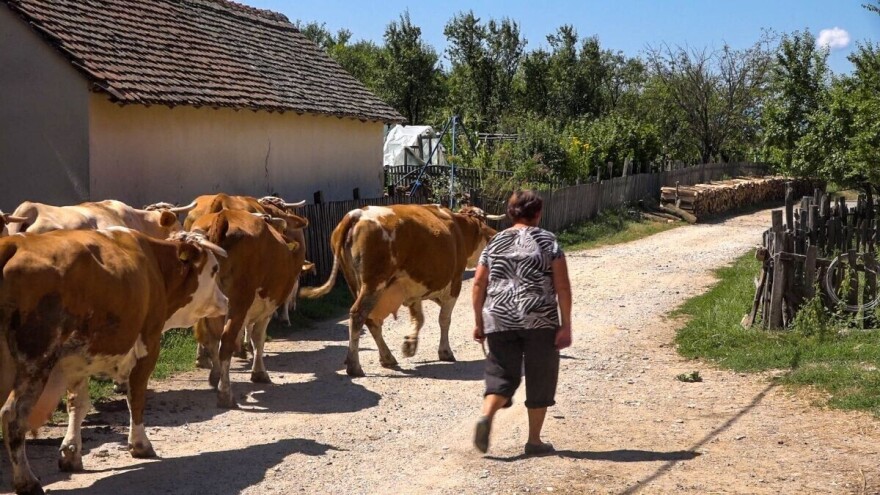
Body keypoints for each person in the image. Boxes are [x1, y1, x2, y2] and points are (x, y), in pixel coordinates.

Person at [471, 189, 573, 456]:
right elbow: (562, 287)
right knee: (540, 376)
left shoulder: (495, 243)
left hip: (499, 316)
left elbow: (479, 283)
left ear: (509, 213)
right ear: (538, 213)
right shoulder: (548, 241)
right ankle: (534, 441)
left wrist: (479, 322)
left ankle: (487, 415)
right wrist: (566, 325)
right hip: (539, 318)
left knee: (502, 374)